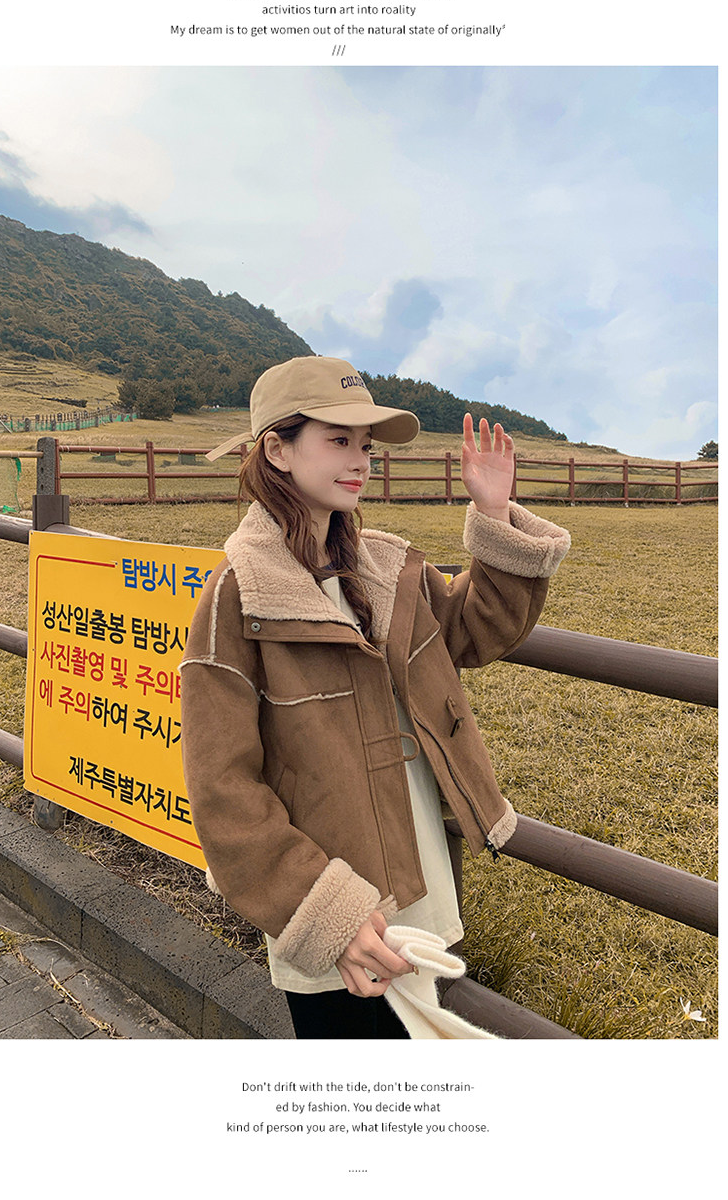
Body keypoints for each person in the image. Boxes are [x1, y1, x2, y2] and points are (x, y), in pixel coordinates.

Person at [179, 356, 570, 1039]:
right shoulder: (238, 595)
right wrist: (327, 913)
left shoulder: (384, 566)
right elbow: (222, 788)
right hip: (336, 915)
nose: (361, 459)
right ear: (276, 449)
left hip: (421, 884)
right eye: (338, 440)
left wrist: (492, 511)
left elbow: (474, 631)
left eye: (365, 444)